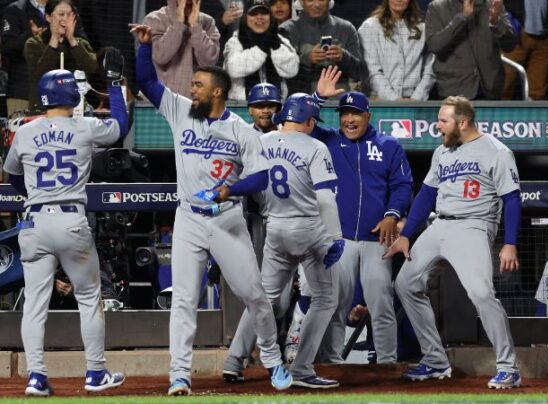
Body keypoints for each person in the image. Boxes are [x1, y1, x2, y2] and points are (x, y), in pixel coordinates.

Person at [130, 23, 292, 396]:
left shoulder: (241, 131)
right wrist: (144, 47)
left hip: (226, 219)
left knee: (254, 295)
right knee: (183, 299)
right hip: (187, 217)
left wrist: (229, 189)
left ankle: (272, 359)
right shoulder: (181, 110)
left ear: (216, 92)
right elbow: (147, 83)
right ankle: (180, 375)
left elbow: (262, 178)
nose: (191, 89)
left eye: (198, 85)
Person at [2, 57, 128, 396]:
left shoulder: (24, 131)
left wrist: (35, 195)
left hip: (35, 222)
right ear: (73, 96)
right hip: (71, 220)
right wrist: (115, 83)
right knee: (88, 297)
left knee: (34, 304)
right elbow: (120, 126)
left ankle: (36, 378)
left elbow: (12, 174)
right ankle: (95, 373)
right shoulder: (85, 126)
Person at [384, 96, 522, 388]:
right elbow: (426, 195)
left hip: (473, 225)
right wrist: (407, 234)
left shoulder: (496, 152)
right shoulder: (441, 153)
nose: (438, 127)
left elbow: (511, 199)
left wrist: (510, 242)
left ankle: (508, 366)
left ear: (463, 122)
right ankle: (435, 360)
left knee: (481, 293)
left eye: (443, 121)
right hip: (439, 224)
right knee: (405, 284)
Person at [223, 73, 346, 389]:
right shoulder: (315, 145)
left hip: (272, 227)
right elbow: (325, 198)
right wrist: (335, 237)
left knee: (261, 298)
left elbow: (239, 182)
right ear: (307, 121)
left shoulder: (259, 142)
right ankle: (302, 368)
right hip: (307, 228)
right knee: (325, 298)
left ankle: (234, 360)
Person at [309, 90, 413, 364]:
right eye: (345, 113)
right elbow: (303, 122)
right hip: (338, 238)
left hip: (376, 239)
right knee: (335, 303)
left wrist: (392, 214)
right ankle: (332, 363)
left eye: (356, 113)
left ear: (368, 115)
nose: (350, 119)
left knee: (381, 303)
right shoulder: (326, 140)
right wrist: (318, 97)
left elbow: (402, 185)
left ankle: (388, 361)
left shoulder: (388, 145)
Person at [425, 0, 517, 100]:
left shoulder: (492, 4)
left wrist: (496, 22)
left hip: (490, 90)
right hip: (454, 92)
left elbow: (510, 45)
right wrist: (462, 17)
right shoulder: (437, 7)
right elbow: (434, 45)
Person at [23, 0, 97, 109]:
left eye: (69, 15)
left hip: (75, 109)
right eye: (61, 14)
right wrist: (54, 38)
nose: (65, 19)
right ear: (48, 17)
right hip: (44, 110)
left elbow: (91, 68)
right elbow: (39, 73)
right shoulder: (34, 43)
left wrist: (71, 39)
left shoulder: (80, 43)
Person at [279, 0, 362, 94]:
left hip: (337, 102)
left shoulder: (346, 29)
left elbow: (358, 73)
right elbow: (281, 73)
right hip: (301, 101)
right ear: (301, 2)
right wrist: (307, 59)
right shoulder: (287, 30)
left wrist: (343, 57)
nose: (316, 4)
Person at [358, 0, 435, 100]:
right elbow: (373, 71)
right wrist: (395, 100)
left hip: (414, 101)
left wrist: (416, 98)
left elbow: (430, 69)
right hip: (381, 101)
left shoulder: (422, 28)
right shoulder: (370, 27)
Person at [223, 0, 299, 101]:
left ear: (270, 17)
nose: (259, 17)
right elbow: (233, 69)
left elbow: (292, 70)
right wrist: (261, 49)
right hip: (243, 106)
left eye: (264, 13)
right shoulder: (235, 41)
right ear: (245, 18)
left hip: (276, 104)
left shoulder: (280, 40)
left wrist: (276, 46)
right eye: (254, 14)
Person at [144, 0, 220, 97]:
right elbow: (160, 56)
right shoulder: (155, 19)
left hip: (195, 102)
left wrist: (196, 27)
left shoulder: (208, 22)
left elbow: (209, 63)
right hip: (161, 101)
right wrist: (178, 23)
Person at [502, 0, 548, 100]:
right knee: (505, 86)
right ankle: (499, 114)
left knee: (538, 93)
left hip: (546, 36)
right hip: (517, 33)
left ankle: (535, 115)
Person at [0, 0, 47, 116]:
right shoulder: (15, 9)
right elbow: (7, 48)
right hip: (22, 92)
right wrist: (29, 35)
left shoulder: (63, 9)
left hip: (57, 95)